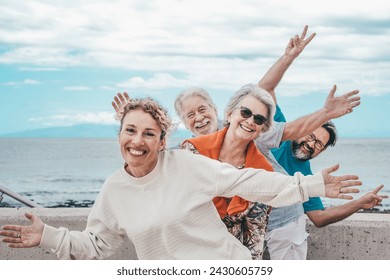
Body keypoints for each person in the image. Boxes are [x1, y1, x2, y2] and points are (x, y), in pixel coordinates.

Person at [0, 97, 362, 260]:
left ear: (162, 140)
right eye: (130, 131)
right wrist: (46, 235)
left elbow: (247, 182)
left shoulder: (185, 165)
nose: (137, 141)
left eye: (148, 133)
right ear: (119, 135)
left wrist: (310, 185)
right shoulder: (114, 189)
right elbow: (96, 245)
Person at [258, 28, 388, 260]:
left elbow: (319, 217)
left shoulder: (307, 174)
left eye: (318, 144)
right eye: (310, 135)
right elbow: (265, 88)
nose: (311, 144)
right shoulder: (277, 131)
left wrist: (359, 203)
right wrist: (289, 56)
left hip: (280, 231)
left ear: (321, 152)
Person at [181, 84, 276, 260]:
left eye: (259, 119)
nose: (250, 121)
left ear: (262, 129)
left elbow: (255, 233)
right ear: (229, 113)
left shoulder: (263, 172)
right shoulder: (192, 151)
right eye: (246, 112)